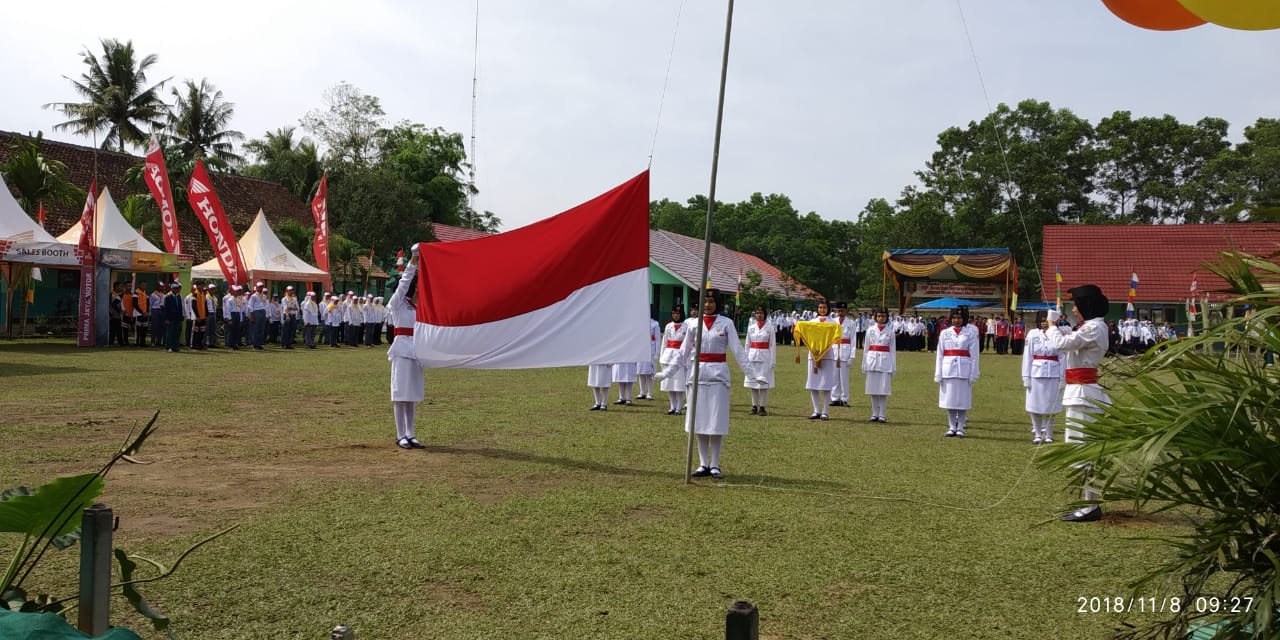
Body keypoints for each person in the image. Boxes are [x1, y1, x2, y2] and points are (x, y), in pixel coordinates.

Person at [660, 291, 757, 479]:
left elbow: (738, 351)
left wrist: (753, 374)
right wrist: (667, 373)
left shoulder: (726, 323)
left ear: (717, 303)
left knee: (716, 422)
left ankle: (715, 464)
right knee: (700, 421)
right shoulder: (692, 324)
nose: (707, 305)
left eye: (711, 301)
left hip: (719, 376)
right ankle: (703, 463)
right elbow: (683, 352)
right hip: (697, 376)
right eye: (704, 301)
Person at [1046, 284, 1111, 522]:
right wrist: (1057, 328)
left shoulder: (1095, 327)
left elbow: (1062, 344)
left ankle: (1090, 505)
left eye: (1076, 305)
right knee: (1080, 449)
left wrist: (1052, 327)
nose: (1074, 310)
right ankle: (1088, 502)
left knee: (1085, 450)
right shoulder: (1090, 327)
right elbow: (1070, 340)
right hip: (1079, 391)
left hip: (1084, 394)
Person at [388, 245, 427, 449]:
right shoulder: (397, 304)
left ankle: (411, 433)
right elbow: (404, 283)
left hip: (415, 351)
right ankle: (400, 434)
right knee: (400, 394)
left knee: (411, 395)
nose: (410, 287)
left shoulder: (415, 307)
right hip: (401, 350)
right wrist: (413, 259)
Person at [936, 306, 980, 437]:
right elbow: (939, 354)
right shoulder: (945, 333)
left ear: (964, 318)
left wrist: (974, 373)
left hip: (964, 370)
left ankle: (960, 427)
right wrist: (938, 373)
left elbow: (975, 355)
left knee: (962, 400)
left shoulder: (970, 333)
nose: (956, 320)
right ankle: (951, 426)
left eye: (959, 317)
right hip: (948, 369)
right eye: (954, 317)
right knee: (950, 400)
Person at [1022, 310, 1064, 444]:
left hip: (1053, 373)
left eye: (1047, 320)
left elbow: (1063, 357)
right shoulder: (1033, 334)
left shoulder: (1058, 334)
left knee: (1051, 406)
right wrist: (1026, 377)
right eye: (1042, 321)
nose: (1045, 323)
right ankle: (1038, 433)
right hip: (1036, 374)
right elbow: (1027, 357)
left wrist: (1062, 378)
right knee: (1035, 405)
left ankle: (1049, 434)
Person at [800, 300, 837, 420]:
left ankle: (825, 411)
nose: (822, 310)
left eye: (824, 307)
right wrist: (815, 351)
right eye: (820, 307)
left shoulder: (833, 323)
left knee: (826, 384)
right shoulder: (812, 322)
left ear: (828, 309)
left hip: (827, 355)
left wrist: (823, 350)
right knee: (813, 384)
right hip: (813, 354)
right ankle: (816, 410)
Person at [861, 307, 896, 423]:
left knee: (883, 390)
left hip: (885, 362)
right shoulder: (870, 330)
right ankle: (874, 413)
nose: (881, 318)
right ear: (875, 317)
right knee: (873, 389)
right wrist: (864, 364)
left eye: (883, 316)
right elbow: (866, 348)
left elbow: (892, 351)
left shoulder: (890, 332)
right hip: (872, 360)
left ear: (887, 317)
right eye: (879, 316)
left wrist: (893, 367)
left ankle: (882, 414)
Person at [743, 304, 776, 416]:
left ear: (765, 314)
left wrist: (772, 360)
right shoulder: (751, 327)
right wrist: (745, 360)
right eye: (757, 313)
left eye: (761, 313)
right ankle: (754, 406)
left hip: (765, 357)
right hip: (752, 357)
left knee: (763, 383)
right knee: (753, 383)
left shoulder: (770, 327)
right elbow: (747, 345)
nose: (759, 315)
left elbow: (772, 345)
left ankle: (762, 407)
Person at [658, 305, 689, 415]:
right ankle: (672, 406)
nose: (675, 315)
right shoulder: (668, 326)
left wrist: (686, 360)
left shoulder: (686, 326)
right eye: (673, 313)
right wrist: (661, 357)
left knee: (679, 384)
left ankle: (679, 407)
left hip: (680, 357)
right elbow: (664, 342)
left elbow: (688, 345)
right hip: (668, 356)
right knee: (669, 383)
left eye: (677, 313)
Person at [831, 302, 857, 407]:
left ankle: (844, 398)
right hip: (834, 351)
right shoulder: (833, 322)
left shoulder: (851, 323)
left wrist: (852, 356)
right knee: (834, 377)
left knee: (844, 377)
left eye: (842, 310)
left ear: (846, 311)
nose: (840, 312)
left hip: (845, 351)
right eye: (838, 310)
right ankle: (835, 398)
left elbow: (853, 340)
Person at [636, 317, 661, 400]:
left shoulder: (655, 324)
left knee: (649, 373)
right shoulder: (639, 322)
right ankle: (642, 392)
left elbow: (657, 339)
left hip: (651, 350)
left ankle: (649, 393)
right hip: (641, 349)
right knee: (641, 372)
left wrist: (657, 352)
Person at [162, 282, 183, 352]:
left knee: (176, 333)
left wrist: (181, 317)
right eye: (175, 288)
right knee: (170, 332)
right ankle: (169, 346)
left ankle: (175, 346)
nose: (176, 290)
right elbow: (166, 309)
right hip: (170, 318)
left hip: (177, 317)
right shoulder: (168, 297)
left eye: (177, 288)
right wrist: (166, 318)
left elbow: (180, 308)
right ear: (171, 289)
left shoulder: (178, 297)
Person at [246, 282, 268, 351]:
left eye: (262, 286)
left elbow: (265, 305)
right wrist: (251, 316)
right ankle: (255, 345)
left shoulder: (264, 296)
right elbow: (250, 306)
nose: (261, 288)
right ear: (256, 287)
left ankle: (259, 344)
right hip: (256, 312)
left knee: (261, 329)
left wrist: (266, 314)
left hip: (262, 311)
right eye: (259, 287)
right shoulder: (254, 296)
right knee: (256, 329)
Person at [224, 285, 244, 350]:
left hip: (237, 315)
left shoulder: (239, 299)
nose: (237, 293)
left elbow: (240, 310)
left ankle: (235, 344)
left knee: (236, 331)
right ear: (232, 292)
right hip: (232, 315)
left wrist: (241, 319)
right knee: (231, 331)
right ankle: (230, 345)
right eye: (235, 291)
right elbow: (228, 310)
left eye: (238, 291)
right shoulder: (230, 300)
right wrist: (229, 319)